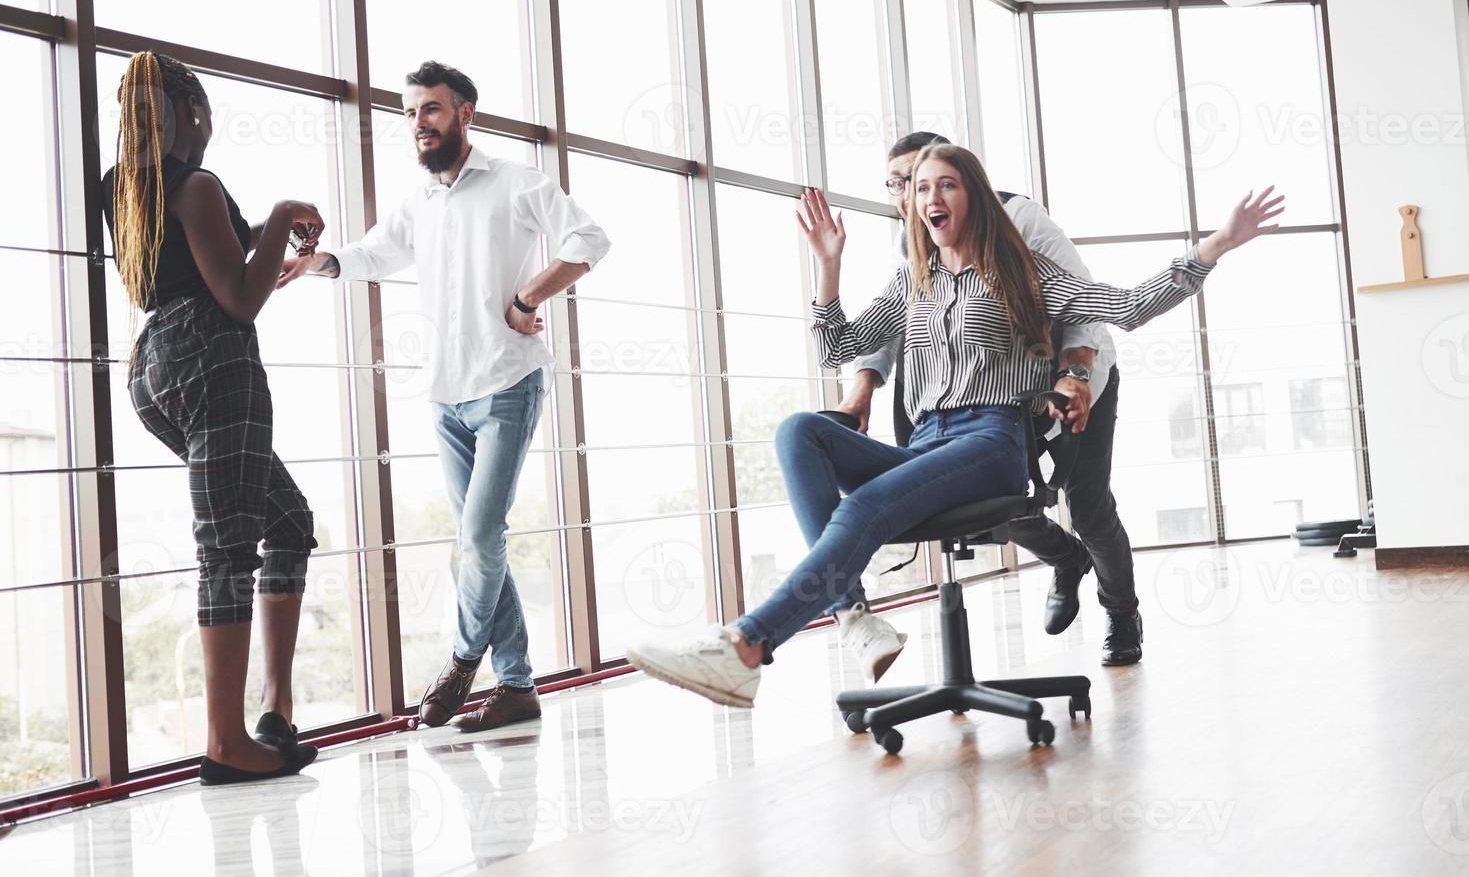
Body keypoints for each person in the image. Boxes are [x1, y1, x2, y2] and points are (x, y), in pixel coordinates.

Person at [626, 144, 1282, 708]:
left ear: (972, 198)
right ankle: (854, 617)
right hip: (926, 444)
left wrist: (1215, 245)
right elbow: (838, 350)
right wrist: (827, 267)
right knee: (800, 432)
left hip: (990, 442)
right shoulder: (914, 280)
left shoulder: (1023, 274)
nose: (929, 197)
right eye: (919, 189)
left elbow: (1129, 306)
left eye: (946, 184)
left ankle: (744, 646)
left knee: (866, 507)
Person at [280, 61, 611, 731]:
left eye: (429, 110)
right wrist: (317, 262)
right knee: (477, 540)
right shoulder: (418, 203)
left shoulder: (517, 183)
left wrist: (526, 298)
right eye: (408, 113)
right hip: (444, 396)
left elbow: (589, 240)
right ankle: (516, 684)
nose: (417, 124)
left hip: (507, 384)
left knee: (480, 535)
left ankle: (462, 661)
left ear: (464, 113)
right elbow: (372, 255)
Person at [838, 132, 1142, 666]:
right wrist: (863, 382)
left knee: (1088, 507)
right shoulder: (914, 242)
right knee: (994, 503)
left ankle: (1120, 613)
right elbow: (892, 325)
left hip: (1072, 378)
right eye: (899, 185)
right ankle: (1065, 559)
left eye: (923, 180)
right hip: (989, 402)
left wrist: (1073, 374)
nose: (913, 196)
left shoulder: (1021, 219)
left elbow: (1081, 305)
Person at [104, 51, 324, 784]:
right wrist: (288, 211)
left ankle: (275, 715)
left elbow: (185, 266)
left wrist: (270, 228)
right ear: (191, 113)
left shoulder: (124, 190)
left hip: (153, 366)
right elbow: (237, 296)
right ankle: (226, 742)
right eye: (206, 115)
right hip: (213, 359)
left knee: (286, 521)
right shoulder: (196, 183)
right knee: (227, 546)